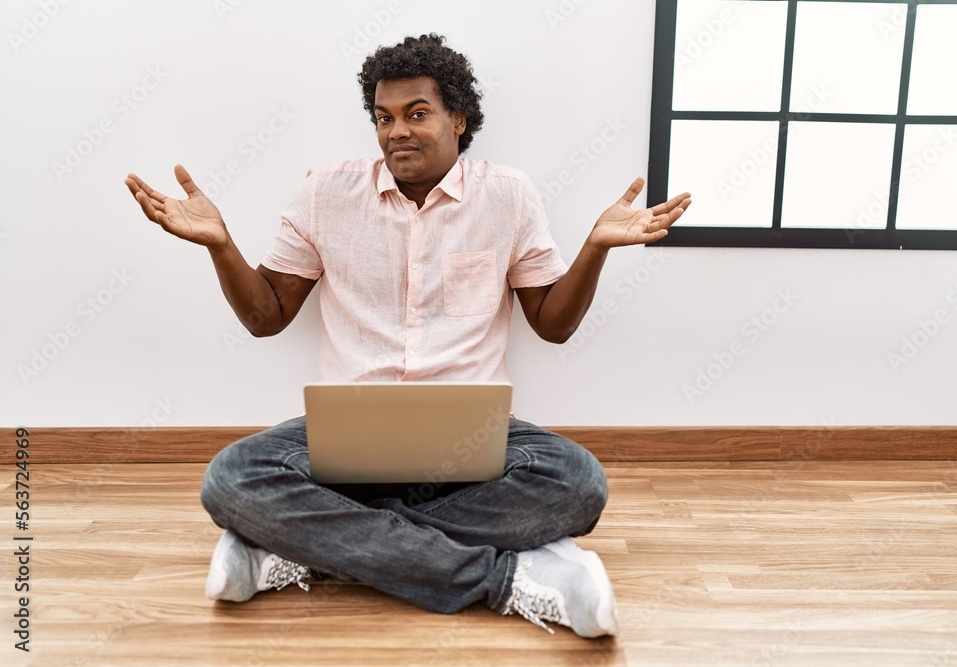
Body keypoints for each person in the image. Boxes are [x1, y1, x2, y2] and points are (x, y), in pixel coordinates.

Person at [125, 33, 691, 638]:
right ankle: (510, 579)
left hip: (471, 436)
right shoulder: (325, 193)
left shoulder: (508, 195)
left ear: (459, 119)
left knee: (578, 486)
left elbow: (552, 325)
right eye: (383, 117)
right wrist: (221, 245)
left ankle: (304, 547)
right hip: (348, 433)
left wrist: (596, 248)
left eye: (417, 114)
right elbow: (266, 317)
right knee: (231, 480)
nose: (397, 131)